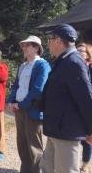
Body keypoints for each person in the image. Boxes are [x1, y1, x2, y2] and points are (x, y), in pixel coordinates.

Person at [39, 24, 92, 173]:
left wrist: (90, 129)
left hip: (67, 131)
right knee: (47, 168)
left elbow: (86, 98)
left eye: (50, 39)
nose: (48, 43)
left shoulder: (74, 62)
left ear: (59, 41)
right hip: (56, 128)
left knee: (65, 170)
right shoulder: (62, 60)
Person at [7, 36, 51, 173]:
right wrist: (11, 101)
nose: (24, 48)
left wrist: (22, 105)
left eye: (27, 45)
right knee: (22, 143)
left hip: (32, 110)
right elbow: (16, 85)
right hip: (19, 108)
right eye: (23, 46)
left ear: (36, 48)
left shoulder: (42, 65)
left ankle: (37, 171)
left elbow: (38, 89)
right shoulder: (23, 65)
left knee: (34, 145)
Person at [76, 42, 92, 173]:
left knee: (88, 139)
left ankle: (85, 164)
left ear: (88, 55)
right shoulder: (72, 67)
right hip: (74, 109)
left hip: (88, 109)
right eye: (77, 49)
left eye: (81, 50)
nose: (77, 51)